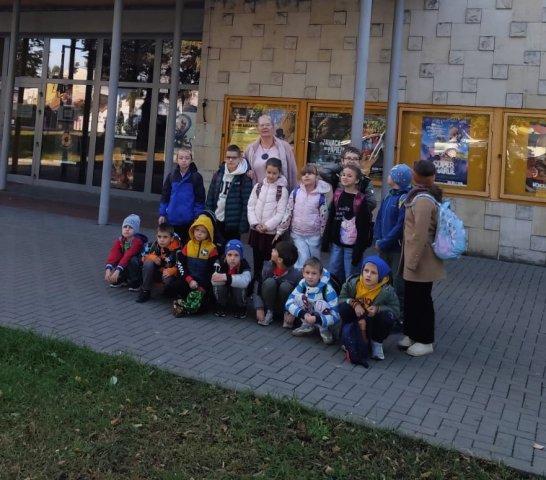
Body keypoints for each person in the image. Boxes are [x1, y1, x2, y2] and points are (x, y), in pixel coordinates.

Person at [398, 160, 446, 357]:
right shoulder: (418, 195)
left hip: (421, 259)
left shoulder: (423, 200)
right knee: (412, 298)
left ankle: (425, 340)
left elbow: (420, 234)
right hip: (414, 256)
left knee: (422, 300)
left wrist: (412, 262)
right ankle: (412, 334)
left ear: (416, 176)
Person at [338, 256, 400, 361]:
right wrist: (354, 304)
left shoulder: (387, 290)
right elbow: (341, 299)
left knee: (387, 317)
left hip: (373, 321)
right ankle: (349, 337)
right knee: (344, 308)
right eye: (366, 271)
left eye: (373, 273)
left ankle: (377, 344)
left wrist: (378, 309)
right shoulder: (353, 283)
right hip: (357, 317)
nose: (368, 275)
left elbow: (396, 310)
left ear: (380, 275)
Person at [373, 163, 413, 323]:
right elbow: (379, 218)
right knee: (383, 279)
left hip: (396, 248)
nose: (388, 176)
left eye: (391, 174)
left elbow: (400, 225)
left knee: (397, 282)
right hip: (384, 246)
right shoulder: (389, 196)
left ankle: (399, 316)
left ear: (397, 179)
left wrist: (385, 241)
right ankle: (384, 310)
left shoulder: (403, 198)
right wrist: (378, 237)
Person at [322, 164, 373, 284]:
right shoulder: (337, 195)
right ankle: (334, 293)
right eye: (343, 175)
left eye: (349, 176)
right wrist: (326, 239)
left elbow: (363, 226)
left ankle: (349, 295)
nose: (345, 177)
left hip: (352, 246)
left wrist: (359, 249)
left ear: (357, 180)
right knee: (333, 271)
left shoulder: (360, 199)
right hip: (337, 242)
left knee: (350, 274)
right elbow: (331, 218)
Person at [276, 163, 331, 269]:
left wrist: (323, 235)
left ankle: (314, 277)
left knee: (314, 261)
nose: (306, 176)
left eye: (310, 173)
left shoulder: (320, 196)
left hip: (314, 235)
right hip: (297, 234)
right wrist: (280, 230)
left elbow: (324, 217)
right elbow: (288, 212)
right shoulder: (296, 192)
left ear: (316, 177)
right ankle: (299, 277)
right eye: (304, 174)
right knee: (301, 260)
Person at [247, 157, 289, 284]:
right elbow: (251, 206)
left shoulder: (282, 191)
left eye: (274, 173)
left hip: (271, 233)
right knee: (257, 257)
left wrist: (267, 226)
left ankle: (268, 282)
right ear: (265, 171)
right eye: (269, 172)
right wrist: (255, 224)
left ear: (279, 173)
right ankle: (256, 279)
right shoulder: (258, 187)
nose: (271, 176)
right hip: (257, 230)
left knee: (271, 259)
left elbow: (281, 213)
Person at [172, 213, 219, 317]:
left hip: (203, 284)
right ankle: (183, 304)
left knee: (201, 308)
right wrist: (189, 280)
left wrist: (203, 287)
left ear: (209, 233)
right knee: (177, 284)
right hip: (189, 280)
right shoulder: (188, 245)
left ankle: (182, 307)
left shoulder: (212, 249)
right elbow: (181, 264)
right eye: (197, 230)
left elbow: (212, 271)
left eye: (203, 231)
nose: (199, 233)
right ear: (193, 230)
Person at [286, 257, 340, 345]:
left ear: (320, 274)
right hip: (308, 314)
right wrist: (303, 314)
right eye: (307, 273)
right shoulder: (302, 284)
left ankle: (324, 330)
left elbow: (336, 314)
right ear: (303, 272)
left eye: (314, 273)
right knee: (299, 297)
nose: (310, 276)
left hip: (322, 317)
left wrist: (317, 319)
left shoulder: (327, 289)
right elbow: (288, 303)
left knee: (321, 304)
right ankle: (306, 325)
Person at [206, 144, 253, 243]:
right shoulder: (219, 174)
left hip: (233, 224)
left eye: (234, 158)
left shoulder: (244, 178)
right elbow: (210, 197)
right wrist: (208, 216)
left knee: (231, 250)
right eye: (228, 157)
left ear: (240, 159)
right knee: (216, 249)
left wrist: (242, 225)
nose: (230, 160)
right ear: (225, 158)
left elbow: (246, 204)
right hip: (217, 220)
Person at [158, 147, 205, 244]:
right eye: (181, 158)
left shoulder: (196, 177)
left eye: (187, 158)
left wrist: (197, 216)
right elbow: (165, 196)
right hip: (172, 220)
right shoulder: (171, 176)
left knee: (185, 247)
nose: (184, 160)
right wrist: (162, 214)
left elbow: (199, 200)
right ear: (177, 159)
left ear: (191, 160)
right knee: (171, 246)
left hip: (188, 221)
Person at [244, 114, 298, 190]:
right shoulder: (251, 148)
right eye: (261, 125)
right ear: (257, 128)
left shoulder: (285, 147)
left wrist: (293, 192)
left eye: (268, 125)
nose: (264, 127)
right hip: (257, 192)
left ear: (273, 128)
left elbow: (293, 172)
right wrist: (248, 172)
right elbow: (243, 166)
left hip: (278, 193)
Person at [254, 240, 301, 327]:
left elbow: (300, 297)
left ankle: (286, 314)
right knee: (269, 282)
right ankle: (269, 312)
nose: (272, 250)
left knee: (286, 286)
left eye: (275, 250)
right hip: (267, 305)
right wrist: (259, 307)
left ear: (279, 260)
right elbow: (257, 287)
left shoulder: (296, 275)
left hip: (284, 306)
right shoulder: (267, 268)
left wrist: (293, 312)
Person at [318, 146, 377, 212]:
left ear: (359, 162)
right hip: (336, 214)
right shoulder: (337, 176)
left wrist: (354, 211)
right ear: (342, 160)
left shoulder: (365, 180)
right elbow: (323, 171)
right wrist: (343, 166)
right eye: (348, 158)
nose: (351, 161)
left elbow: (372, 203)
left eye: (355, 159)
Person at [135, 223, 181, 303]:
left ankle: (170, 290)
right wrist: (151, 257)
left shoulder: (177, 250)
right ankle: (145, 290)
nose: (161, 240)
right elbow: (139, 259)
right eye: (159, 237)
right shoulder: (152, 245)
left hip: (168, 275)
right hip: (156, 273)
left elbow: (182, 265)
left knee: (168, 279)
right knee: (148, 263)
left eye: (165, 237)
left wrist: (173, 270)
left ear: (171, 238)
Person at [211, 239, 252, 319]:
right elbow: (214, 280)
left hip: (237, 289)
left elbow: (246, 280)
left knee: (241, 285)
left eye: (236, 255)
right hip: (225, 287)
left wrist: (226, 277)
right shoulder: (219, 262)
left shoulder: (244, 264)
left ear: (241, 256)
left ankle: (241, 306)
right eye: (229, 255)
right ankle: (221, 304)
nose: (232, 258)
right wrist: (229, 279)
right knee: (218, 285)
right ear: (225, 255)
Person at [104, 214, 147, 289]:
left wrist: (117, 270)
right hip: (126, 261)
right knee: (119, 256)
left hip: (139, 264)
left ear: (135, 230)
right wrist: (108, 268)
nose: (127, 229)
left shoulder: (138, 241)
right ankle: (123, 278)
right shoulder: (120, 240)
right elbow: (114, 254)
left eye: (130, 227)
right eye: (125, 226)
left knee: (132, 259)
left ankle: (136, 281)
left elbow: (128, 255)